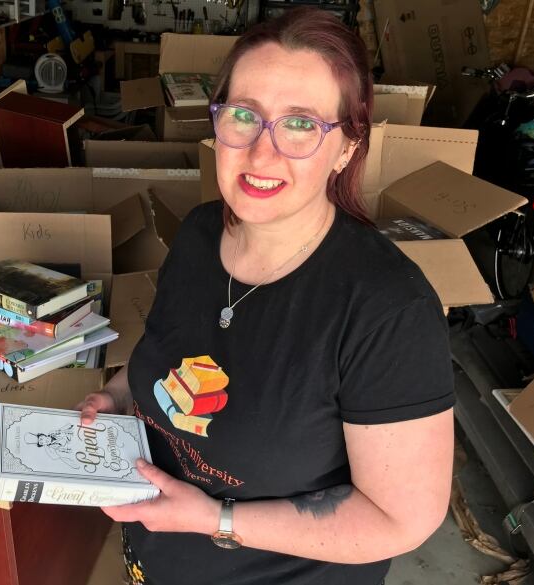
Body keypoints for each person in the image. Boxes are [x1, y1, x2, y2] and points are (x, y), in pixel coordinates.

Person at [78, 7, 455, 585]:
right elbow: (165, 356)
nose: (261, 152)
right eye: (243, 115)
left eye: (301, 124)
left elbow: (399, 521)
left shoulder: (388, 311)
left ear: (349, 146)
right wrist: (112, 394)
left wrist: (213, 518)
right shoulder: (201, 233)